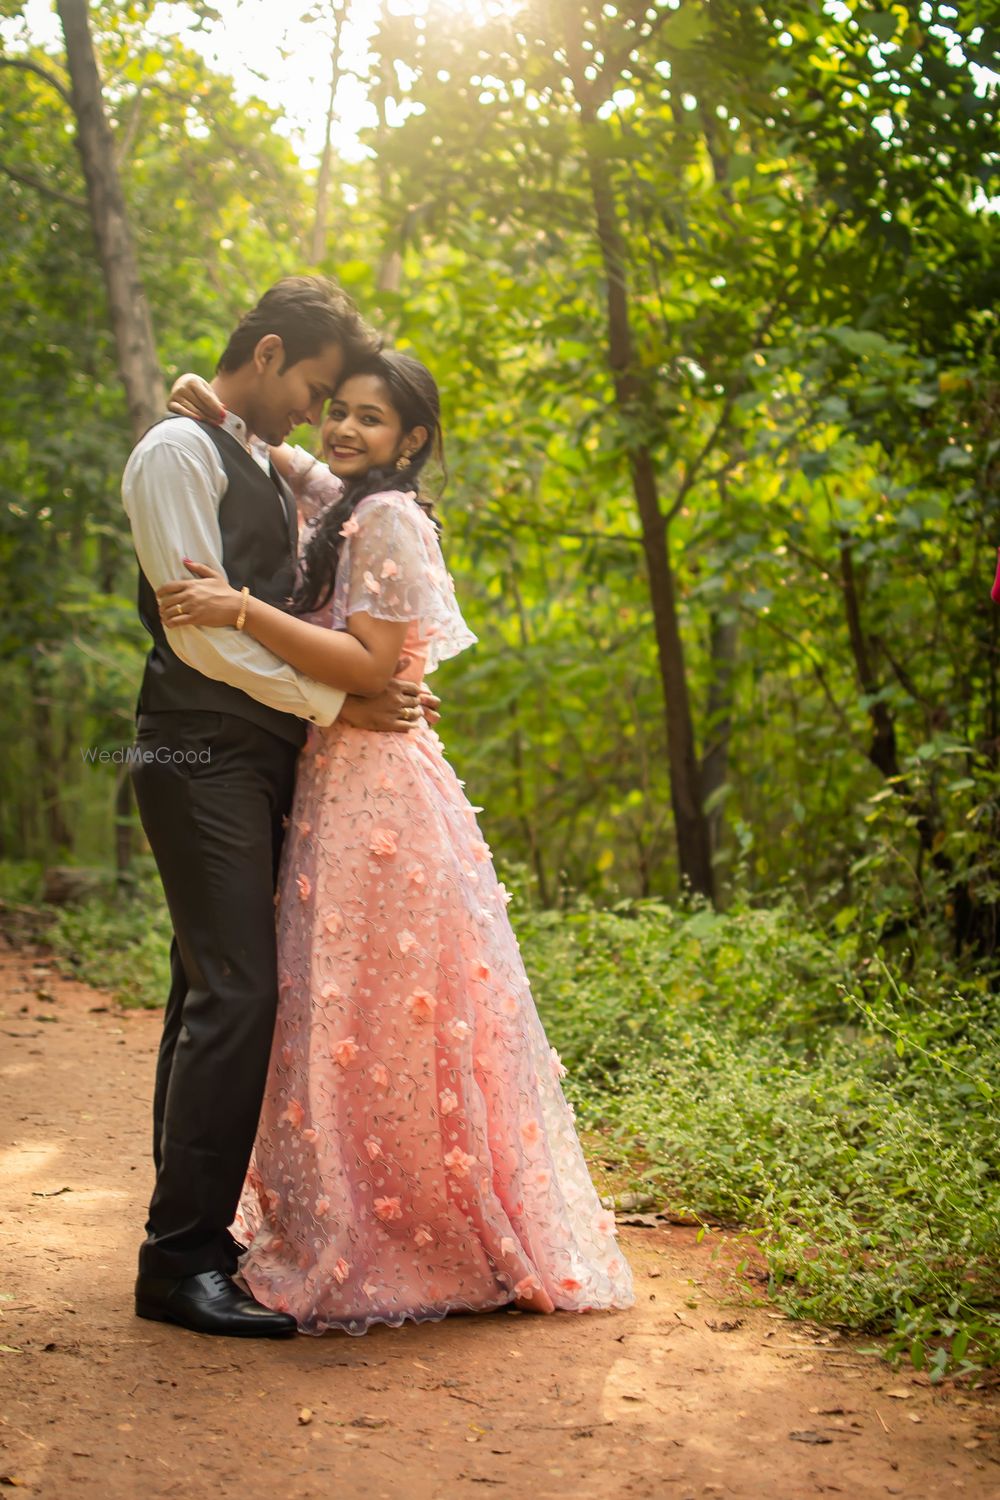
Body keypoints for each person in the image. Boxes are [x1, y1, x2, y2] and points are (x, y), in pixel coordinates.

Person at [158, 350, 634, 1334]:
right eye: (338, 410)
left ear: (410, 441)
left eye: (371, 419)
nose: (343, 429)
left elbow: (375, 662)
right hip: (338, 780)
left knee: (374, 1012)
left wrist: (241, 607)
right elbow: (296, 464)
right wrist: (221, 410)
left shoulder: (383, 517)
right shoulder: (349, 502)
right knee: (349, 1014)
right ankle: (361, 1211)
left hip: (375, 790)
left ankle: (410, 1231)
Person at [123, 277, 434, 1340]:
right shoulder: (175, 454)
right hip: (194, 746)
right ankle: (176, 1266)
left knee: (208, 992)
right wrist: (338, 701)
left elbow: (308, 493)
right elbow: (198, 632)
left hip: (253, 756)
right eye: (311, 388)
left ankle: (191, 1237)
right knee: (240, 995)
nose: (317, 412)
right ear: (263, 356)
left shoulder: (244, 448)